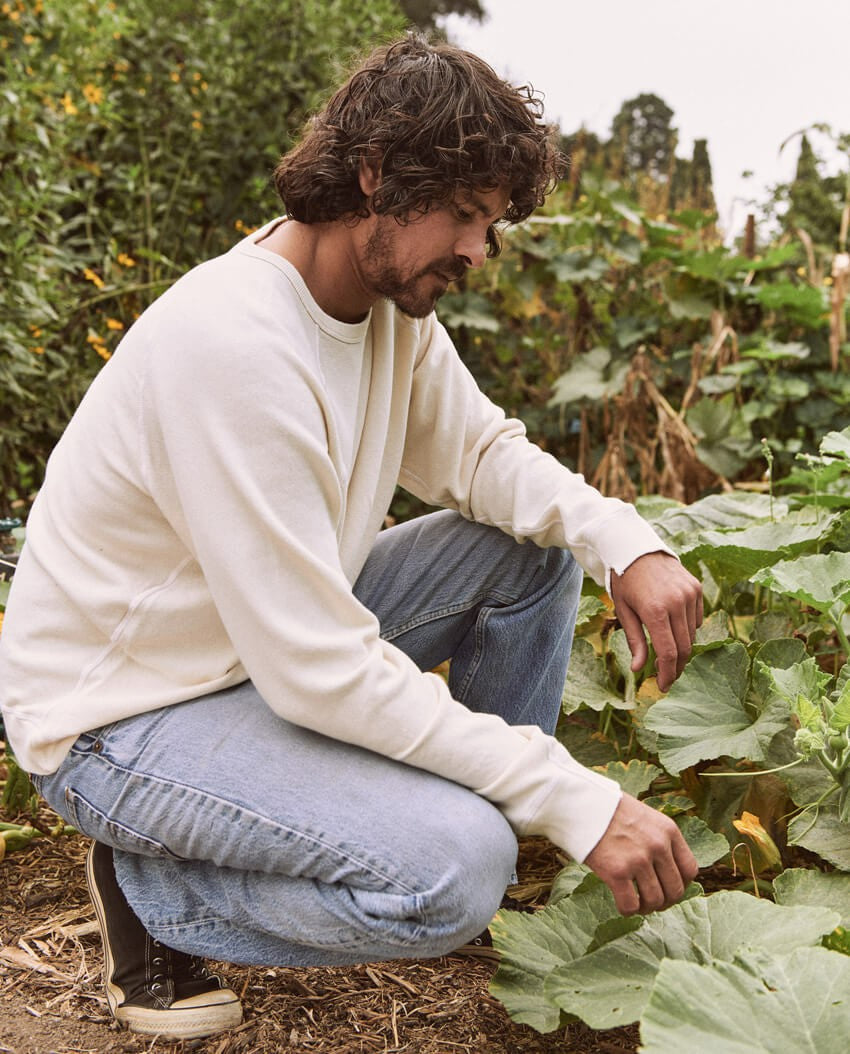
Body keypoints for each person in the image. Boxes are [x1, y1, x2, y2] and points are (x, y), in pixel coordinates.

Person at [0, 34, 702, 1041]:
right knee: (453, 870)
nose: (478, 250)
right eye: (465, 214)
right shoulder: (236, 345)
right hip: (122, 715)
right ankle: (154, 886)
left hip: (248, 653)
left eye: (490, 223)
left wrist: (625, 542)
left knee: (527, 555)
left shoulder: (387, 311)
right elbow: (318, 671)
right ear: (375, 175)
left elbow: (481, 455)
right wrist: (574, 799)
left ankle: (445, 823)